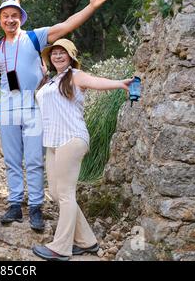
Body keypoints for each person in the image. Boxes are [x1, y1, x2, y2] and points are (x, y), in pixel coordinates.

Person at [0, 0, 112, 231]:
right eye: (6, 15)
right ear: (0, 20)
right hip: (7, 108)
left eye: (15, 14)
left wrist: (91, 6)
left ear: (21, 17)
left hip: (33, 106)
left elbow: (66, 26)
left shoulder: (34, 37)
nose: (10, 19)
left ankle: (36, 207)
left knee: (34, 160)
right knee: (13, 161)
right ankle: (15, 204)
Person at [32, 38, 133, 261]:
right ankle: (87, 241)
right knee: (57, 194)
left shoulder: (75, 76)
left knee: (66, 194)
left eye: (62, 52)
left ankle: (61, 247)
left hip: (71, 138)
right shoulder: (50, 81)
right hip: (52, 142)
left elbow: (95, 81)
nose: (57, 56)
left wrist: (119, 83)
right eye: (54, 53)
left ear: (71, 57)